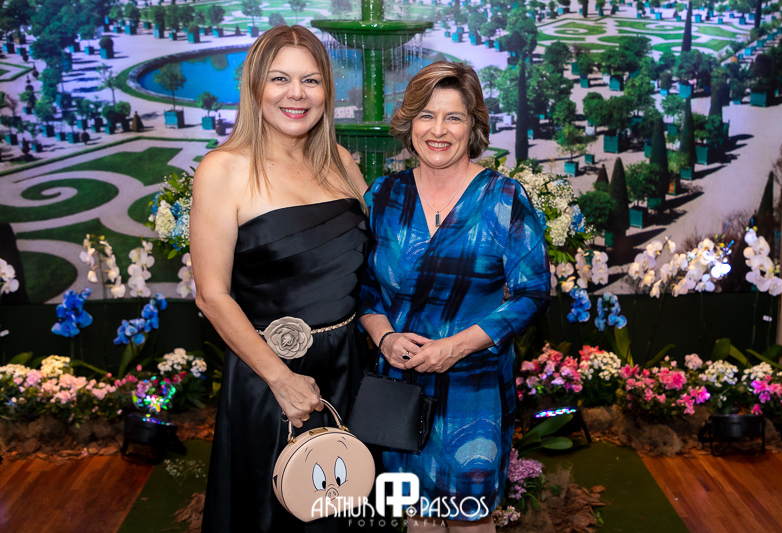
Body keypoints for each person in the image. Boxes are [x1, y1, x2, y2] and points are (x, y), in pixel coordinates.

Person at [359, 62, 551, 532]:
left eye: (453, 117)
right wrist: (384, 338)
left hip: (474, 391)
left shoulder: (504, 198)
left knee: (471, 522)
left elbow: (532, 293)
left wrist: (456, 346)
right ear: (409, 124)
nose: (438, 130)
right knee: (417, 521)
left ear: (473, 126)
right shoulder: (384, 196)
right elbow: (364, 288)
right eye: (426, 116)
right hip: (400, 391)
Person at [191, 25, 369, 532]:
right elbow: (211, 295)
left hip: (349, 368)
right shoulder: (223, 169)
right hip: (273, 377)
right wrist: (282, 380)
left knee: (347, 510)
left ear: (327, 91)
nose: (297, 93)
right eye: (280, 79)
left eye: (311, 80)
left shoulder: (340, 162)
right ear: (255, 87)